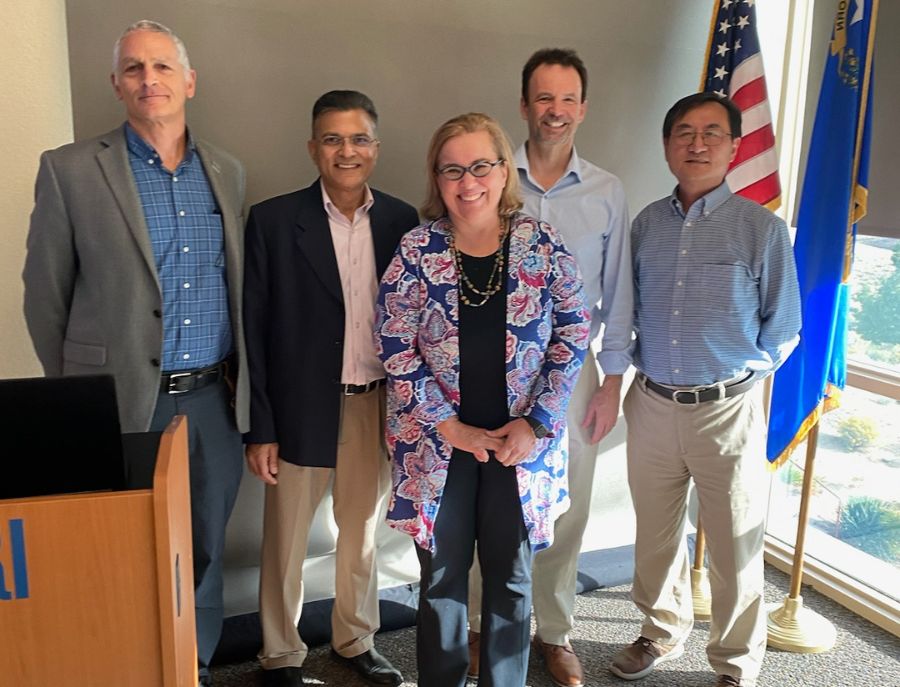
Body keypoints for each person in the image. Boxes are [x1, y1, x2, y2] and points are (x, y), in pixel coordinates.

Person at [22, 20, 247, 686]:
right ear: (115, 84)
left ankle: (192, 664)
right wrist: (76, 394)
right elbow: (45, 299)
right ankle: (125, 664)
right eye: (133, 69)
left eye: (161, 67)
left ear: (189, 81)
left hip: (211, 399)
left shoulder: (228, 173)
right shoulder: (69, 170)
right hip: (116, 400)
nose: (149, 80)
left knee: (204, 545)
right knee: (119, 547)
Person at [376, 112, 590, 687]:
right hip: (438, 447)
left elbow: (574, 330)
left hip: (521, 449)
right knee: (441, 582)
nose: (467, 182)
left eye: (480, 166)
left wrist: (538, 423)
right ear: (437, 178)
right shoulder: (417, 249)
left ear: (503, 170)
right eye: (452, 170)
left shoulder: (541, 243)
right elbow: (395, 343)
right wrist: (449, 426)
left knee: (511, 580)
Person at [609, 92, 801, 687]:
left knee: (735, 544)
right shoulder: (645, 224)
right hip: (652, 404)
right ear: (667, 145)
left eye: (712, 133)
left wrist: (740, 378)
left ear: (735, 147)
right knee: (655, 537)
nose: (697, 144)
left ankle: (735, 663)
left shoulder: (761, 229)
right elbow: (625, 309)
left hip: (729, 409)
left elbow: (785, 325)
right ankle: (660, 631)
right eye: (684, 133)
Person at [466, 48, 633, 687]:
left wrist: (612, 381)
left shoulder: (607, 191)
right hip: (485, 371)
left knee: (565, 508)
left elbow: (617, 294)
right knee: (488, 497)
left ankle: (555, 631)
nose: (555, 111)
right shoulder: (487, 174)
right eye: (543, 98)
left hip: (571, 373)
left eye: (567, 100)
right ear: (523, 105)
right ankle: (482, 624)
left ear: (582, 108)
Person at [243, 90, 417, 687]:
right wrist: (261, 426)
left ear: (376, 146)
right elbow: (256, 328)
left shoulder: (401, 220)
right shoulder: (271, 220)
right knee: (286, 538)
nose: (348, 151)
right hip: (298, 408)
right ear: (313, 147)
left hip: (374, 403)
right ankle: (280, 653)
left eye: (360, 138)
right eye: (334, 139)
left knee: (362, 531)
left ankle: (355, 638)